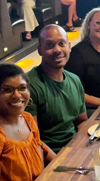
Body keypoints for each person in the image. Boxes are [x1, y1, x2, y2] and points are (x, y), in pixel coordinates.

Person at [26, 25, 87, 153]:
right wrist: (60, 161)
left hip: (74, 149)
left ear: (69, 47)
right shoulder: (29, 86)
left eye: (61, 43)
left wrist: (85, 147)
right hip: (49, 157)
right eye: (49, 45)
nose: (57, 50)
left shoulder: (74, 80)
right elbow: (32, 140)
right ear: (39, 50)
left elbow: (81, 121)